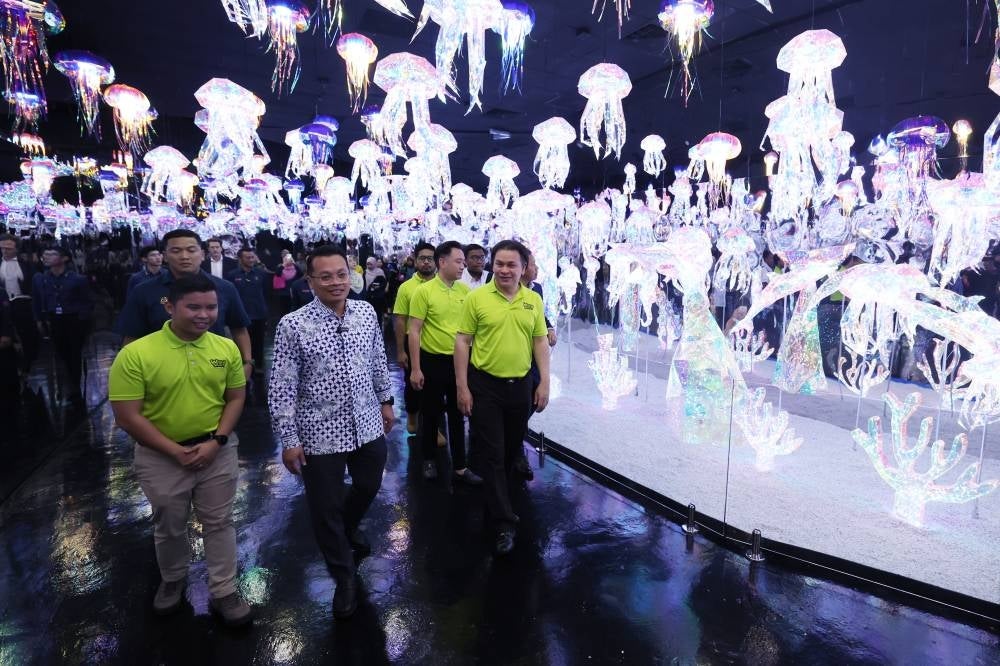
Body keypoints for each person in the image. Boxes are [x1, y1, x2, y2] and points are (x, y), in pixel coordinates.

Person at [108, 274, 252, 626]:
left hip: (217, 450)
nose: (204, 315)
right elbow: (127, 416)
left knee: (219, 522)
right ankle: (173, 580)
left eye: (211, 307)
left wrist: (217, 441)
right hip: (159, 456)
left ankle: (224, 590)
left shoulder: (225, 348)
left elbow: (235, 398)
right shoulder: (137, 354)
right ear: (169, 306)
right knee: (169, 524)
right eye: (194, 307)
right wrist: (173, 450)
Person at [268, 245, 395, 620]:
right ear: (310, 281)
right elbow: (282, 387)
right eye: (325, 276)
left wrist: (386, 400)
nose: (335, 282)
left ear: (350, 274)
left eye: (341, 274)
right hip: (318, 431)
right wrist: (289, 440)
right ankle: (344, 577)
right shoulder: (293, 325)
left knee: (369, 485)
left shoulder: (366, 312)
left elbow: (376, 359)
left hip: (368, 421)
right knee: (324, 508)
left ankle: (346, 531)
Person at [455, 240, 550, 555]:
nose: (504, 270)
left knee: (510, 449)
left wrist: (544, 383)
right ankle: (503, 521)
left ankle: (497, 498)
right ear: (491, 265)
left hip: (520, 386)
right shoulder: (477, 298)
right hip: (485, 386)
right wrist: (462, 386)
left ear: (524, 269)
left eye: (512, 265)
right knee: (494, 454)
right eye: (499, 264)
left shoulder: (532, 300)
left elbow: (539, 342)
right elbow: (463, 342)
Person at [116, 230, 254, 382]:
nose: (184, 256)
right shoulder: (144, 291)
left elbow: (239, 329)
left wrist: (247, 363)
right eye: (176, 251)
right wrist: (128, 373)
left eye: (191, 250)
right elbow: (132, 336)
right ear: (165, 256)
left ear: (202, 254)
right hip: (161, 374)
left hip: (214, 370)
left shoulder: (224, 288)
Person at [408, 241, 481, 485]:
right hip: (432, 361)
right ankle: (428, 459)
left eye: (463, 262)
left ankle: (460, 466)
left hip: (459, 362)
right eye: (459, 261)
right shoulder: (424, 292)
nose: (463, 266)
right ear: (442, 262)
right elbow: (415, 331)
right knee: (430, 414)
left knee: (459, 412)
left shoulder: (465, 293)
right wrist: (416, 368)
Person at [32, 247, 93, 403]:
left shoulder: (77, 279)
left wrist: (82, 320)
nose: (46, 257)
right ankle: (67, 382)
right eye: (45, 254)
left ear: (64, 258)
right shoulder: (42, 279)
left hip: (73, 319)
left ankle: (74, 385)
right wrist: (39, 319)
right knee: (61, 352)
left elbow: (87, 301)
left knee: (74, 353)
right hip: (54, 319)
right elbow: (38, 300)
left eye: (52, 254)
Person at [517, 251, 558, 481]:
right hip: (514, 356)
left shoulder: (537, 289)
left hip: (534, 355)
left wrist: (549, 327)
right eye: (534, 265)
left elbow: (539, 315)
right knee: (520, 404)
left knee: (530, 401)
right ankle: (516, 450)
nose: (537, 269)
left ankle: (516, 442)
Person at [393, 242, 436, 435]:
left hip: (438, 344)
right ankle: (411, 413)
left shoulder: (443, 285)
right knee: (413, 384)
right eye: (422, 258)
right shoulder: (406, 287)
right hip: (414, 342)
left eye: (430, 258)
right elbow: (400, 320)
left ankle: (432, 427)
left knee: (435, 387)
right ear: (415, 261)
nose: (426, 262)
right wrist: (401, 350)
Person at [227, 248, 268, 376]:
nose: (251, 260)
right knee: (241, 342)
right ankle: (243, 366)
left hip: (259, 314)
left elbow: (267, 293)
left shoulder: (261, 273)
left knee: (259, 342)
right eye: (248, 257)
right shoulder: (232, 275)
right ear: (240, 259)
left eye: (252, 257)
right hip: (241, 315)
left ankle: (259, 367)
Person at [0, 233, 39, 370]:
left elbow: (33, 285)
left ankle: (28, 362)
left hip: (23, 305)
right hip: (3, 307)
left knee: (27, 335)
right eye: (2, 248)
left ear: (16, 249)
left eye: (8, 248)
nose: (5, 251)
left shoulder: (25, 264)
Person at [271, 250, 302, 315]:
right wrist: (284, 264)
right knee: (283, 311)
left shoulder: (295, 267)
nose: (287, 258)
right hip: (283, 293)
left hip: (293, 292)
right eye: (284, 255)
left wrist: (293, 263)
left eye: (288, 255)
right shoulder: (280, 266)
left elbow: (301, 274)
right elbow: (277, 274)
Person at [364, 256, 388, 326]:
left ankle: (379, 330)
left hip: (378, 298)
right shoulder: (365, 272)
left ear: (374, 263)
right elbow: (364, 284)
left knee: (378, 316)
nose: (369, 266)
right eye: (367, 264)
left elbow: (384, 283)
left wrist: (376, 287)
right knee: (369, 316)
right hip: (369, 298)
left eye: (370, 264)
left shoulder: (380, 272)